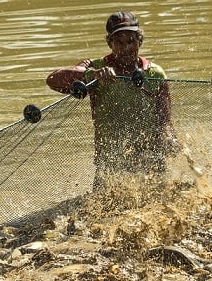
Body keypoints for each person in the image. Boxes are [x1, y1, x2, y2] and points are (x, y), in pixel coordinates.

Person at [46, 10, 178, 187]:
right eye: (119, 42)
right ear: (110, 43)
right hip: (110, 164)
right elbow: (53, 80)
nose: (126, 48)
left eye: (131, 41)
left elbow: (165, 120)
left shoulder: (155, 74)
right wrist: (92, 75)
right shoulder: (95, 68)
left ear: (140, 41)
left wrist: (171, 140)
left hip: (151, 161)